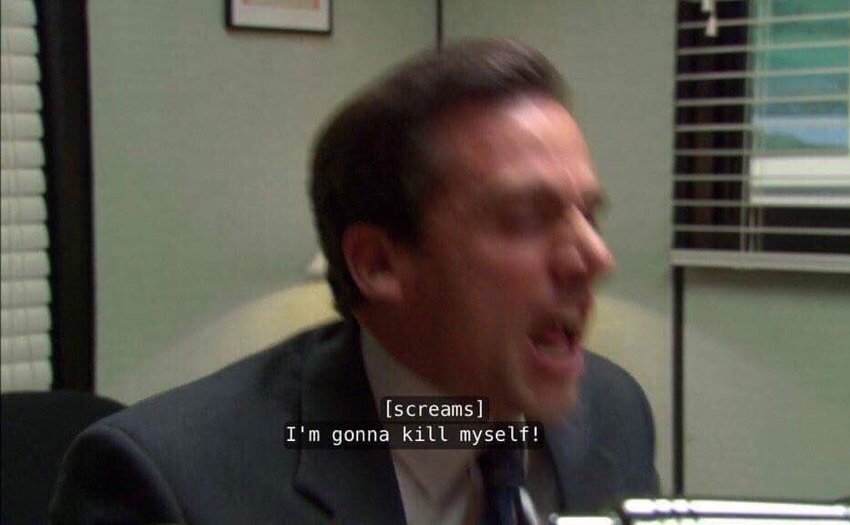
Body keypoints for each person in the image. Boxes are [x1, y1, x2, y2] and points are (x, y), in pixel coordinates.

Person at [50, 39, 659, 524]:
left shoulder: (614, 410)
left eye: (590, 215)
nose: (595, 257)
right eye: (525, 217)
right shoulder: (167, 483)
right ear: (378, 264)